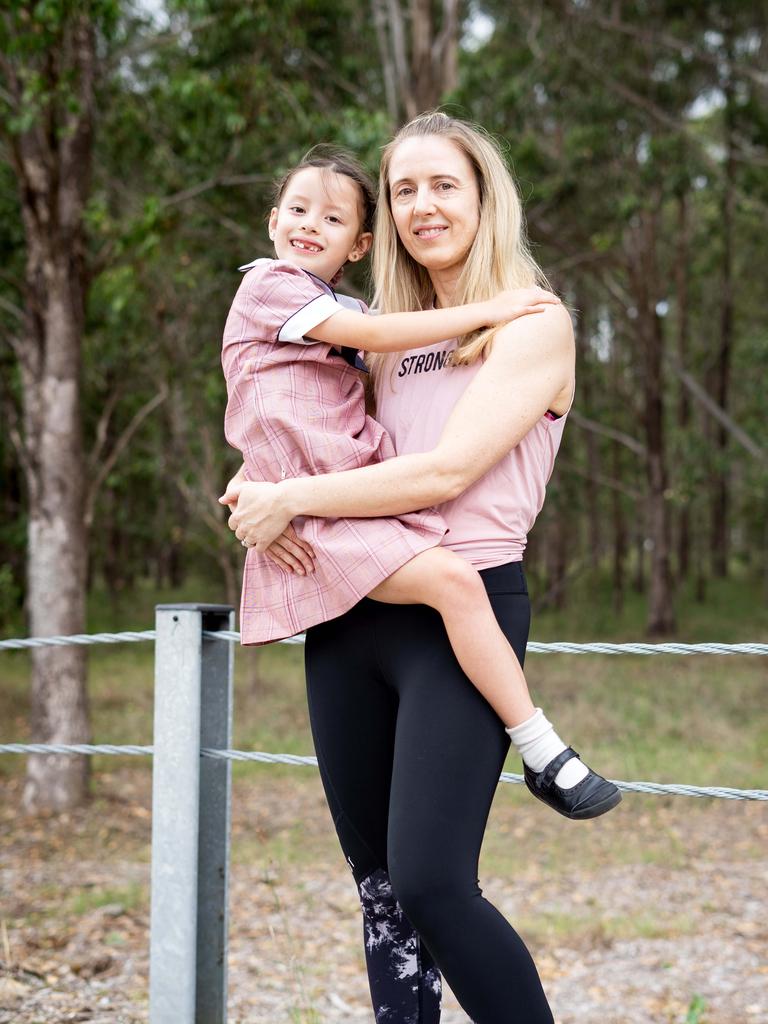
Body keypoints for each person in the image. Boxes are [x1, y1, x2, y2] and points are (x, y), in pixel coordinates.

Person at [222, 116, 619, 1023]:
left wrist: (298, 497)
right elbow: (314, 432)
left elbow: (443, 474)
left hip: (461, 603)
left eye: (444, 185)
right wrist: (257, 482)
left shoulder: (532, 320)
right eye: (404, 189)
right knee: (381, 891)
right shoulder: (372, 339)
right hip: (352, 608)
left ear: (485, 197)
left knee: (436, 883)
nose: (423, 206)